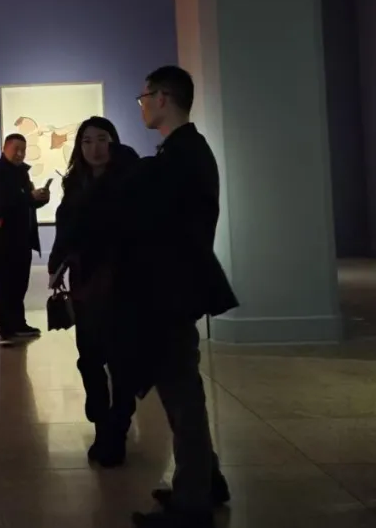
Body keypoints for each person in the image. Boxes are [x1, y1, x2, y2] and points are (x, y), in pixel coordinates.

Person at [126, 66, 239, 528]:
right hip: (178, 285)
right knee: (181, 387)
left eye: (144, 97)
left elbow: (160, 226)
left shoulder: (179, 156)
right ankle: (206, 480)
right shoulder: (187, 151)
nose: (142, 105)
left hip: (172, 288)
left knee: (181, 393)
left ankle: (193, 502)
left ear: (163, 98)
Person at [47, 116, 139, 467]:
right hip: (86, 285)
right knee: (89, 358)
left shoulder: (128, 180)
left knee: (120, 360)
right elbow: (65, 230)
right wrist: (56, 264)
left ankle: (117, 428)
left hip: (122, 283)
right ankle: (102, 422)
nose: (95, 148)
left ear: (114, 142)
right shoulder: (75, 184)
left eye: (102, 139)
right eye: (87, 141)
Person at [0, 133, 49, 345]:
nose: (20, 153)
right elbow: (1, 204)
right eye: (16, 149)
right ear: (5, 149)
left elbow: (26, 203)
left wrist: (40, 199)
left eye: (23, 149)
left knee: (19, 285)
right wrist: (29, 197)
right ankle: (7, 328)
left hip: (22, 239)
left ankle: (18, 323)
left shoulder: (21, 173)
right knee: (6, 286)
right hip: (4, 240)